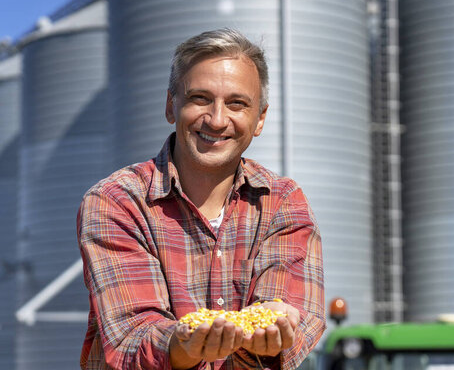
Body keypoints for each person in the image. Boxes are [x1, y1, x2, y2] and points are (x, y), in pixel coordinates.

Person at [77, 28, 325, 370]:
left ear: (260, 119)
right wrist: (185, 344)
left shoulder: (282, 201)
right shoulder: (118, 200)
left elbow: (289, 312)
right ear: (170, 105)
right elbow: (130, 337)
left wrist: (270, 334)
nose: (217, 119)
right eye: (200, 99)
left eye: (237, 103)